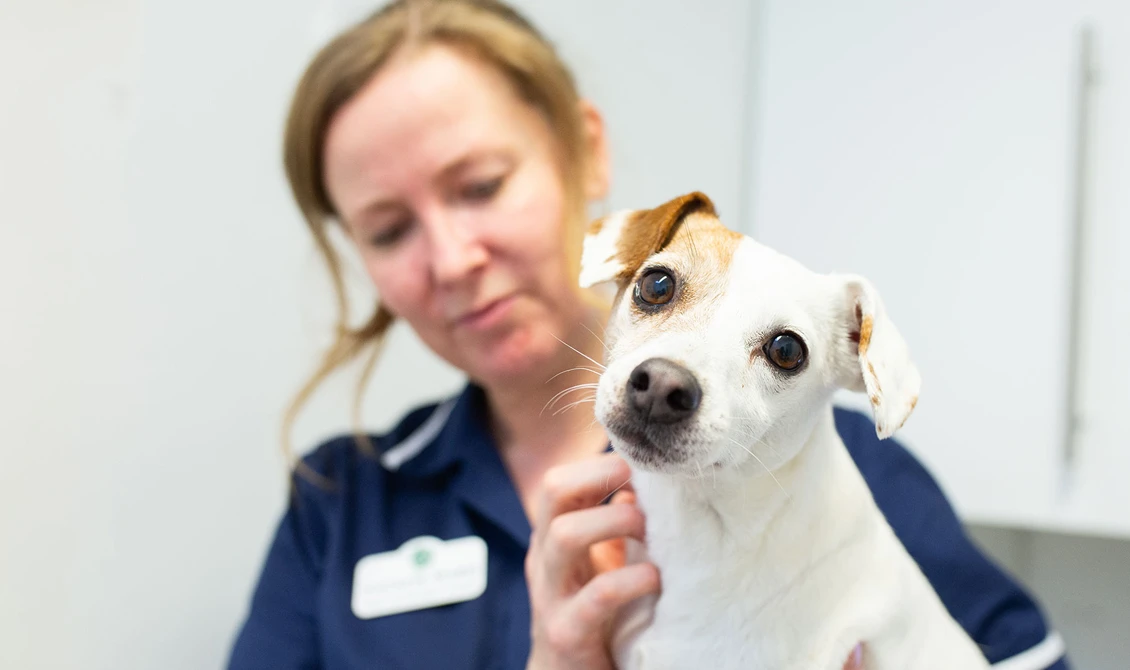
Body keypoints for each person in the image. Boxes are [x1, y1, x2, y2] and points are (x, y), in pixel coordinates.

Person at [228, 1, 1069, 668]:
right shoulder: (339, 506)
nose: (451, 258)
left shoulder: (832, 468)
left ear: (584, 149)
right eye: (387, 230)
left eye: (480, 185)